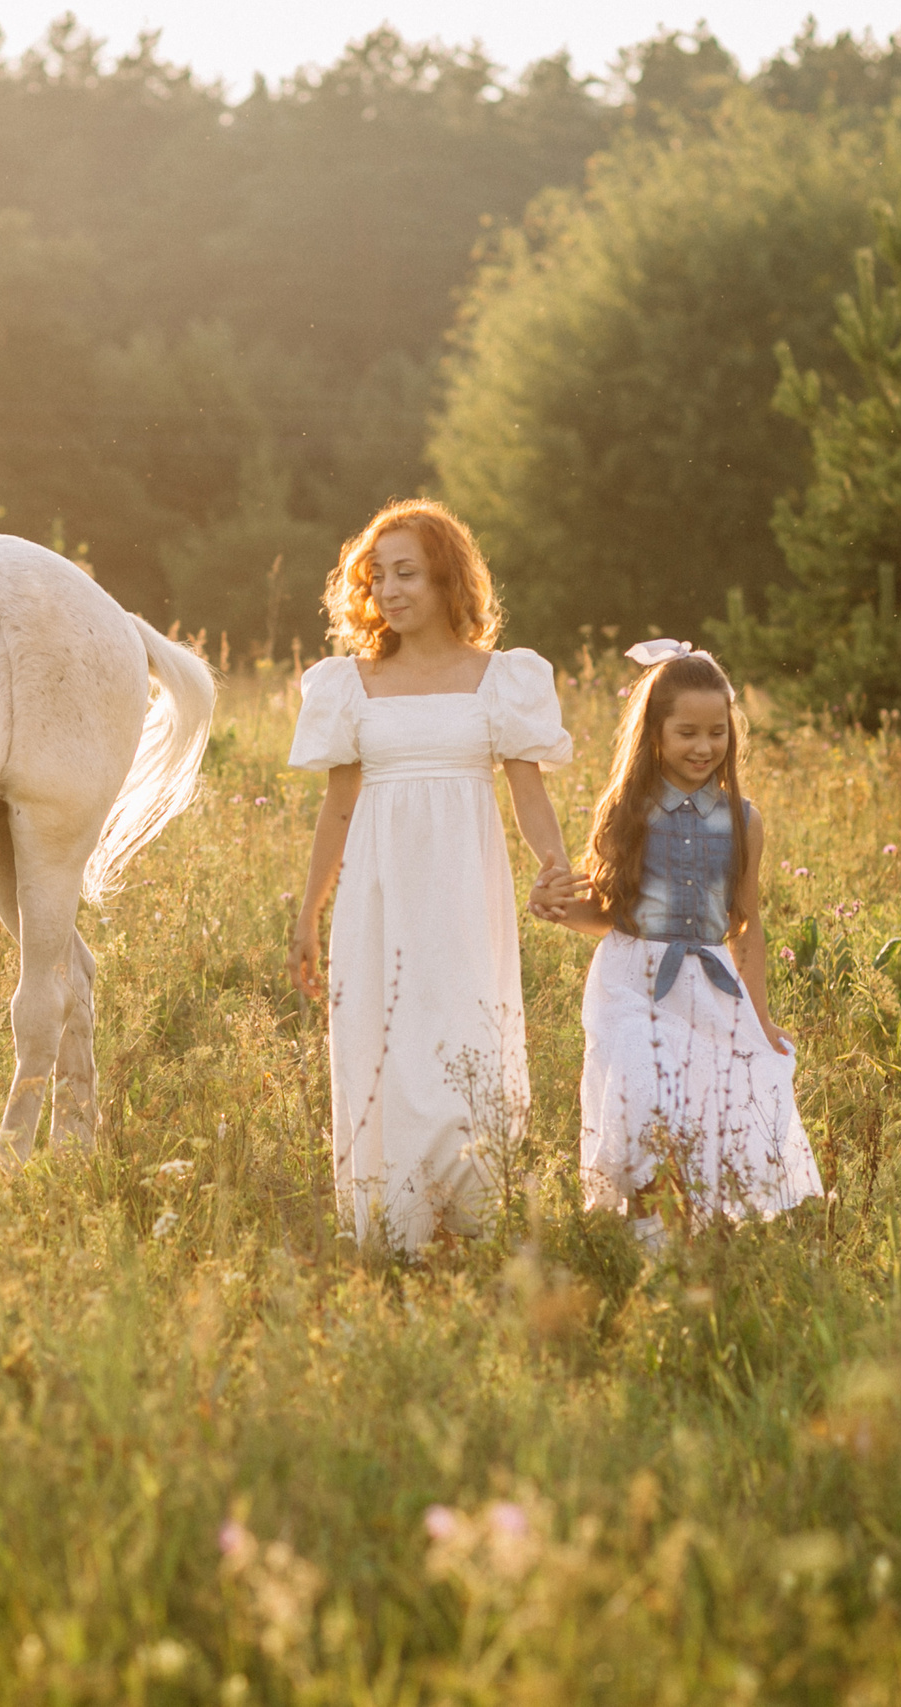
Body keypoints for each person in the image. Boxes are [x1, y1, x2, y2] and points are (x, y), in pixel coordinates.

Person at [287, 499, 573, 1253]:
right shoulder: (350, 682)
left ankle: (473, 1224)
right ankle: (394, 1229)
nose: (388, 590)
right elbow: (338, 809)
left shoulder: (501, 679)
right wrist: (308, 915)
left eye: (406, 573)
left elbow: (529, 792)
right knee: (382, 1044)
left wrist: (556, 864)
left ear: (448, 577)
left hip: (462, 896)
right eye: (376, 576)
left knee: (462, 1037)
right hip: (376, 899)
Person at [529, 639, 821, 1250]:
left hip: (709, 984)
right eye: (687, 731)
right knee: (641, 1093)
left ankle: (699, 1232)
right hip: (631, 978)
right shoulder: (626, 812)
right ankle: (646, 1232)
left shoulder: (743, 819)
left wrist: (761, 1018)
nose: (703, 746)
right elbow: (609, 914)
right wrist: (558, 910)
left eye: (717, 732)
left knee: (710, 1108)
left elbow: (745, 922)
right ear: (654, 733)